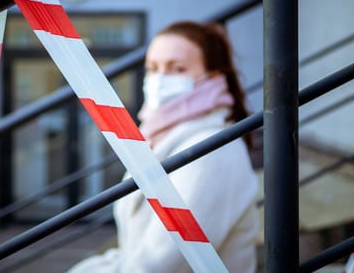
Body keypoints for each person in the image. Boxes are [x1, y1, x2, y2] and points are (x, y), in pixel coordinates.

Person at [67, 21, 259, 273]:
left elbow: (160, 264)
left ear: (212, 77)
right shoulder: (162, 137)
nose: (159, 80)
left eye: (176, 69)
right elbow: (135, 252)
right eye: (152, 68)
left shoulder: (211, 151)